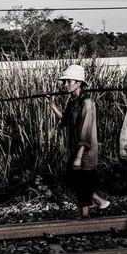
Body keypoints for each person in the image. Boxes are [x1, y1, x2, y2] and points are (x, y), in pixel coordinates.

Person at [46, 64, 110, 218]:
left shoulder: (86, 104)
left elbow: (85, 132)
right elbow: (66, 120)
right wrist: (52, 105)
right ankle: (100, 203)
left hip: (85, 151)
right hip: (74, 149)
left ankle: (85, 217)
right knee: (74, 181)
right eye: (66, 81)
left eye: (70, 81)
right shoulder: (73, 101)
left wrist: (79, 157)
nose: (66, 84)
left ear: (79, 83)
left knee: (83, 183)